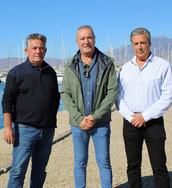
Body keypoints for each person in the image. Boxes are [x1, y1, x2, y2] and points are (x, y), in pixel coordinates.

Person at [61, 25, 117, 188]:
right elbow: (65, 93)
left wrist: (95, 116)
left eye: (89, 38)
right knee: (80, 163)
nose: (86, 41)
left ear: (94, 39)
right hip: (78, 125)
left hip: (100, 123)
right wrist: (79, 118)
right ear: (77, 42)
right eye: (82, 38)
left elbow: (112, 92)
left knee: (104, 162)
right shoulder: (70, 65)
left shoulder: (107, 63)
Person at [2, 33, 60, 188]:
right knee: (17, 171)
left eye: (41, 48)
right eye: (34, 48)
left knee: (40, 170)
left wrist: (50, 119)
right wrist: (8, 128)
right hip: (25, 130)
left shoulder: (51, 72)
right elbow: (7, 101)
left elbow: (55, 98)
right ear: (26, 50)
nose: (38, 51)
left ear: (45, 50)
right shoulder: (16, 73)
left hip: (47, 131)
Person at [116, 27, 172, 188]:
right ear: (132, 45)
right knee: (133, 166)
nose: (139, 47)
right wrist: (131, 117)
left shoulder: (163, 66)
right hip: (131, 123)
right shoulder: (125, 68)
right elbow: (118, 97)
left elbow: (167, 96)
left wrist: (145, 116)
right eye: (136, 43)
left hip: (153, 123)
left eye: (143, 43)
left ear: (149, 44)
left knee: (159, 166)